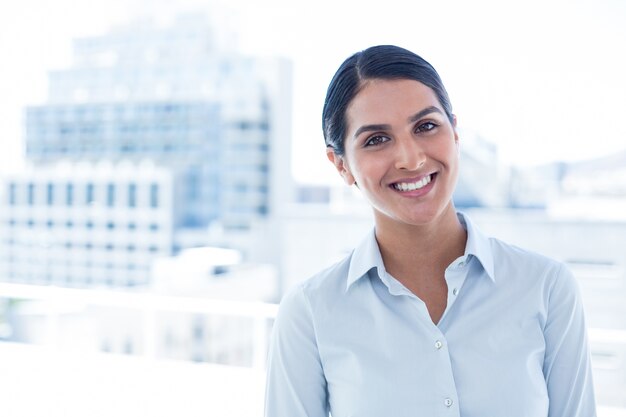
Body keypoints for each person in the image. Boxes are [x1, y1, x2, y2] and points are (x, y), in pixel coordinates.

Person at [264, 45, 596, 417]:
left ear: (454, 131)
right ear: (341, 165)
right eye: (376, 139)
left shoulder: (546, 287)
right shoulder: (310, 312)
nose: (412, 158)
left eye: (426, 126)